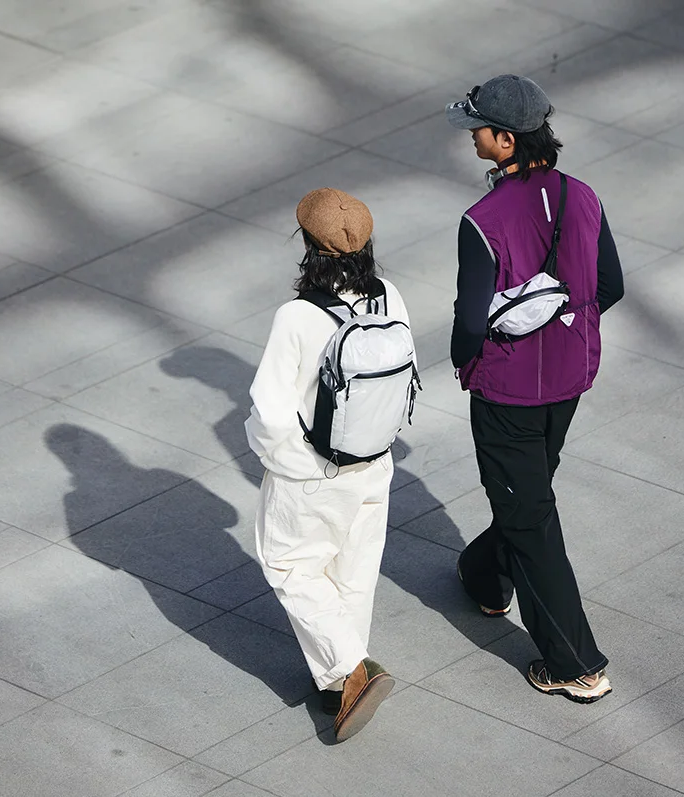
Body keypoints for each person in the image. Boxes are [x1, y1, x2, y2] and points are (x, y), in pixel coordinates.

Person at [445, 75, 624, 703]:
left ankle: (575, 662)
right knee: (527, 496)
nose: (472, 138)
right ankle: (484, 576)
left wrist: (465, 360)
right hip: (570, 378)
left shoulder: (482, 220)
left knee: (531, 515)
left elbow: (471, 320)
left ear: (505, 138)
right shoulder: (584, 195)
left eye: (478, 129)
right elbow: (611, 286)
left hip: (506, 391)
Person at [245, 188, 411, 740]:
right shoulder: (388, 296)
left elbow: (270, 410)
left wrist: (281, 463)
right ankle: (338, 682)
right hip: (376, 464)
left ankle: (352, 669)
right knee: (353, 573)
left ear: (310, 246)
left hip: (311, 472)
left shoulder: (297, 315)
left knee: (290, 566)